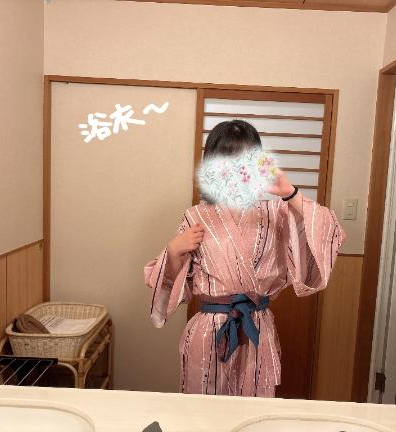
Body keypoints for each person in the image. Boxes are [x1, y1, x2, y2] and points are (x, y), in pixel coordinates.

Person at [143, 119, 346, 397]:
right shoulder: (195, 216)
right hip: (209, 333)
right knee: (203, 412)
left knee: (253, 408)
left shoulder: (276, 213)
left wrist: (290, 193)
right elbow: (175, 282)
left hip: (257, 331)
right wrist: (175, 249)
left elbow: (329, 232)